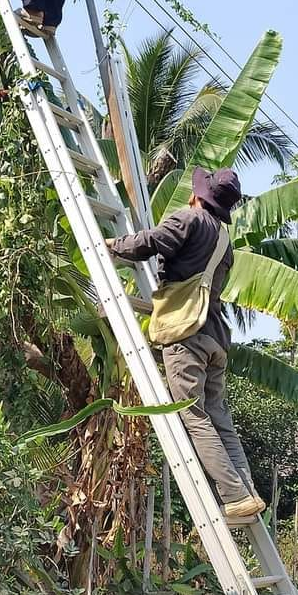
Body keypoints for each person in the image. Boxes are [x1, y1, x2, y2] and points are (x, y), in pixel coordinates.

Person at [106, 168, 267, 525]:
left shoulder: (189, 218)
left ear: (199, 196)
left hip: (186, 334)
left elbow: (150, 241)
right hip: (215, 338)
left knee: (192, 415)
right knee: (219, 418)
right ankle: (248, 492)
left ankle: (235, 495)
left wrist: (113, 247)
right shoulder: (225, 242)